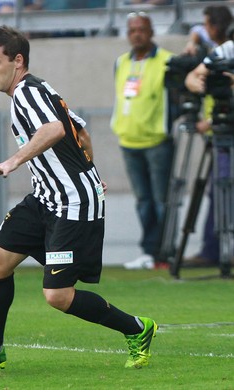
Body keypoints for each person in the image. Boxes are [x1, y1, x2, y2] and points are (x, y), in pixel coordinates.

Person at [0, 25, 157, 373]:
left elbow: (56, 130)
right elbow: (81, 131)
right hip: (46, 198)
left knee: (57, 296)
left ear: (18, 61)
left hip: (72, 205)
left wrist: (13, 161)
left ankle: (137, 328)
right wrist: (88, 169)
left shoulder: (26, 93)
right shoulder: (39, 88)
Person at [110, 12, 174, 270]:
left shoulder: (167, 61)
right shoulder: (121, 62)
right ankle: (148, 252)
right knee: (143, 201)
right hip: (129, 140)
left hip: (157, 140)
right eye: (132, 30)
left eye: (142, 29)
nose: (137, 34)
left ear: (151, 32)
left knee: (161, 201)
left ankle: (165, 253)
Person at [182, 5, 233, 268]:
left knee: (223, 189)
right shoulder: (224, 51)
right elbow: (193, 76)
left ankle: (215, 251)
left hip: (222, 129)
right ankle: (215, 251)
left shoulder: (224, 50)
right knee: (218, 189)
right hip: (224, 131)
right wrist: (196, 81)